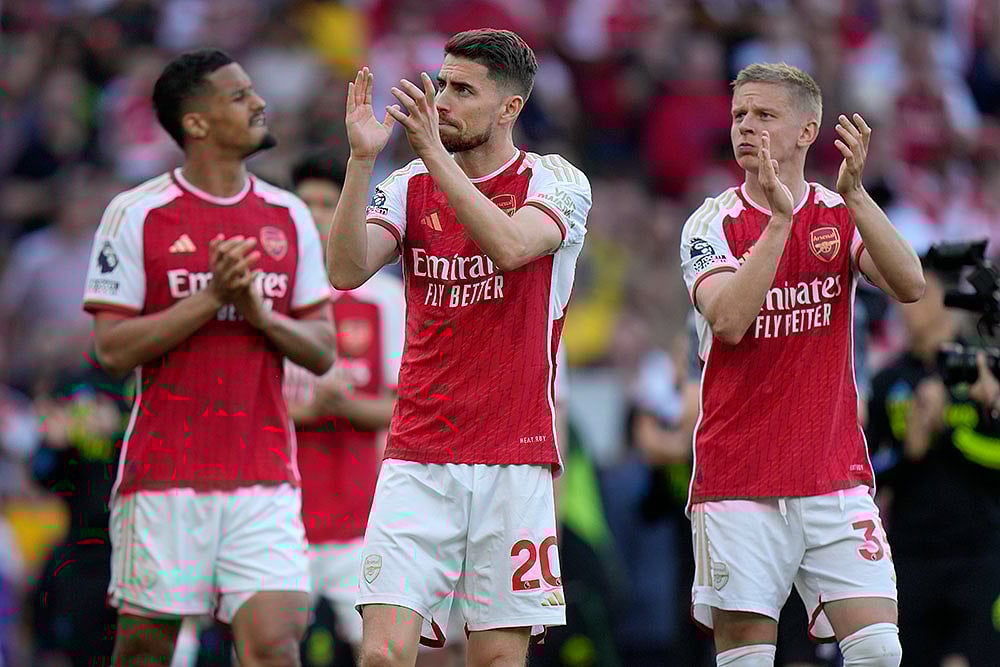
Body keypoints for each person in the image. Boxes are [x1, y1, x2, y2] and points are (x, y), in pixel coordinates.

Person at [325, 28, 592, 667]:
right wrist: (361, 162)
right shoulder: (408, 184)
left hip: (514, 458)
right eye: (441, 84)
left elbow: (512, 246)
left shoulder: (556, 181)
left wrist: (431, 155)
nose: (442, 100)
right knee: (382, 656)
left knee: (495, 659)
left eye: (463, 90)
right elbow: (345, 269)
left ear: (509, 108)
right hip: (417, 456)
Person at [81, 49, 335, 667]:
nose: (259, 103)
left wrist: (260, 316)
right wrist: (211, 298)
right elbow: (110, 349)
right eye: (239, 96)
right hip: (164, 475)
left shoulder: (288, 215)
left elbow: (322, 350)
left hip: (264, 476)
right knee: (147, 651)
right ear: (196, 123)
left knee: (275, 644)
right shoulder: (136, 214)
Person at [679, 62, 926, 667]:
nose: (746, 126)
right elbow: (729, 320)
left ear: (807, 131)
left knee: (879, 652)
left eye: (764, 114)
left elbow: (910, 284)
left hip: (833, 477)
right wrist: (780, 223)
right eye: (739, 114)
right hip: (739, 482)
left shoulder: (839, 214)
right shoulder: (710, 222)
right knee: (748, 660)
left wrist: (857, 195)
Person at [285, 153, 406, 665]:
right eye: (305, 204)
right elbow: (247, 405)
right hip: (281, 515)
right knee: (271, 646)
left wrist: (346, 405)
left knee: (377, 652)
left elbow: (408, 409)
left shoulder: (385, 299)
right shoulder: (268, 294)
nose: (314, 215)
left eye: (326, 204)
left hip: (364, 515)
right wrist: (309, 409)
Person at [866, 258, 1000, 666]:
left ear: (945, 299)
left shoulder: (984, 370)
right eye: (901, 298)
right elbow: (867, 474)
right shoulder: (889, 381)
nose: (907, 307)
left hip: (978, 554)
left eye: (919, 296)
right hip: (911, 556)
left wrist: (954, 431)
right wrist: (910, 450)